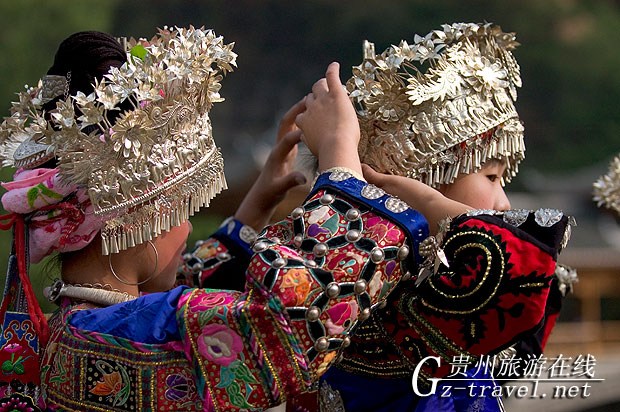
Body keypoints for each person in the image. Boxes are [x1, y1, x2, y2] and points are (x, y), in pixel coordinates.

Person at [0, 28, 430, 412]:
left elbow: (187, 293)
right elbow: (288, 321)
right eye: (184, 213)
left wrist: (256, 207)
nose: (188, 230)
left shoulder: (71, 327)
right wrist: (340, 160)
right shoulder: (133, 331)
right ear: (137, 218)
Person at [310, 23, 576, 411]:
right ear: (418, 179)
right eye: (491, 176)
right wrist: (427, 204)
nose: (504, 202)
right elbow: (521, 267)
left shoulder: (428, 295)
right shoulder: (405, 304)